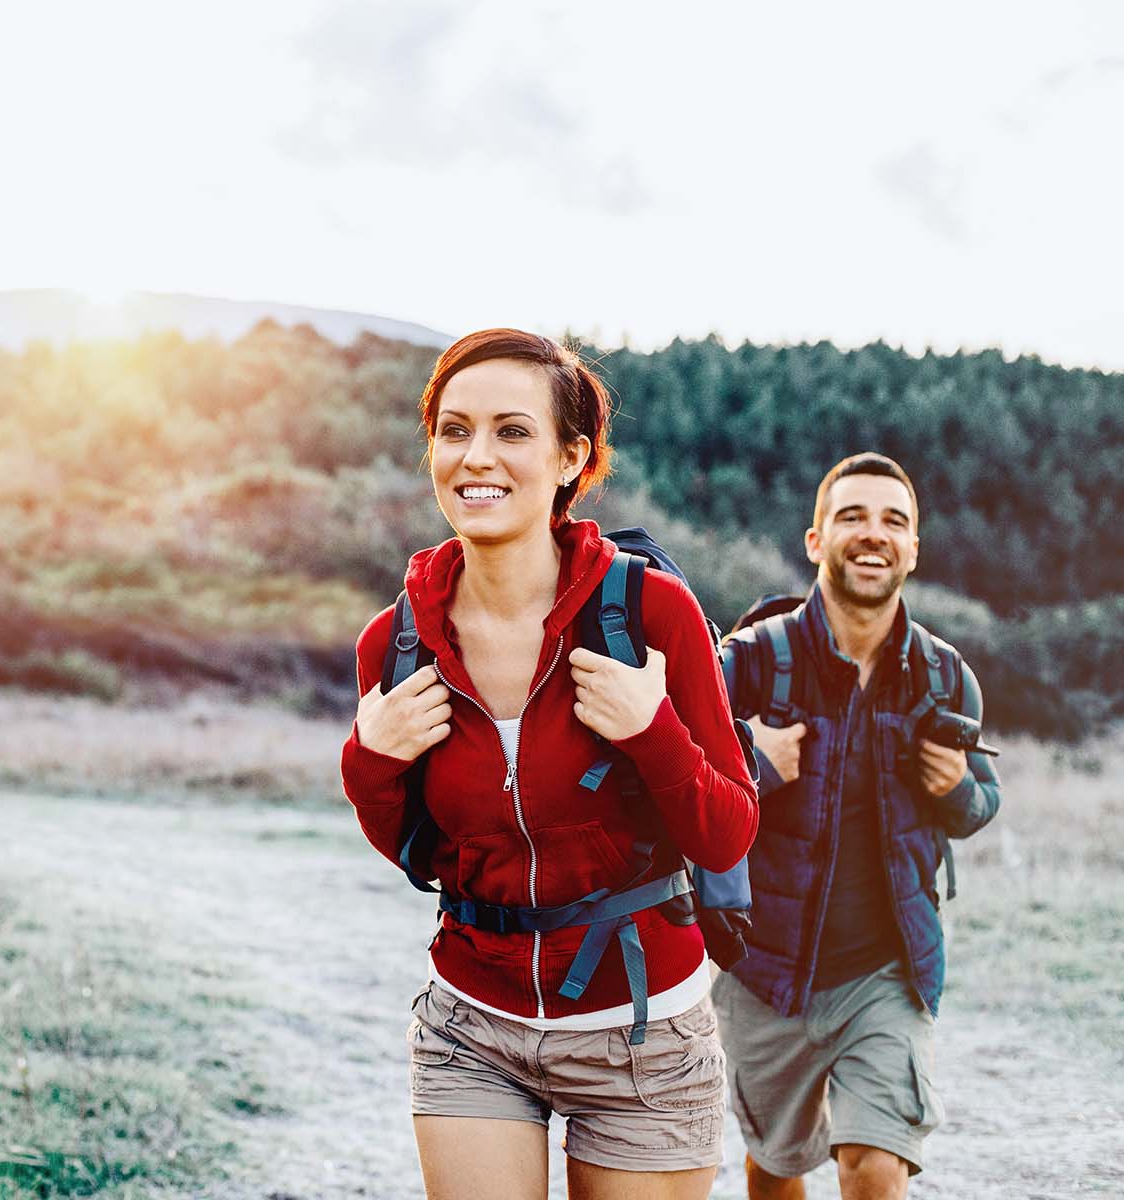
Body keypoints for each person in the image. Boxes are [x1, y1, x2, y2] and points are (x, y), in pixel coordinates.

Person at [341, 329, 759, 1199]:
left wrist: (654, 733)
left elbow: (726, 835)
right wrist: (366, 762)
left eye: (512, 431)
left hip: (641, 1036)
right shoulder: (396, 642)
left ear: (573, 458)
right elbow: (419, 851)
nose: (475, 457)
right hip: (472, 1023)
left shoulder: (650, 614)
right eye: (453, 431)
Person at [715, 452, 1004, 1199]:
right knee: (775, 1168)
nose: (873, 534)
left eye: (893, 521)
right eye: (852, 516)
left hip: (887, 974)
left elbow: (983, 803)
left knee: (874, 1166)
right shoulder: (748, 663)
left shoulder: (945, 676)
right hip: (763, 972)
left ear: (914, 548)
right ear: (815, 540)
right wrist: (755, 762)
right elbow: (675, 787)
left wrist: (958, 790)